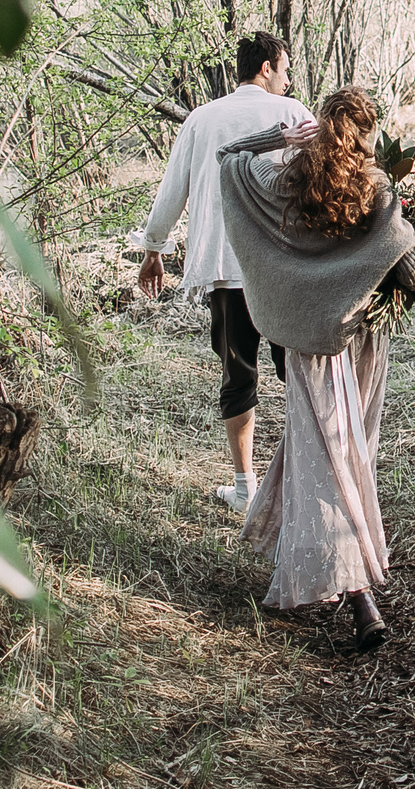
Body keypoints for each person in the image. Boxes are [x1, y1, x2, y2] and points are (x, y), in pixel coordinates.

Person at [218, 87, 415, 653]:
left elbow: (227, 158)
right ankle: (358, 591)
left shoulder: (282, 181)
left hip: (309, 347)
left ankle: (289, 539)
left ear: (317, 130)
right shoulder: (375, 187)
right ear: (364, 135)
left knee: (319, 445)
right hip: (357, 343)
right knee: (343, 452)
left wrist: (279, 139)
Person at [135, 32, 312, 513]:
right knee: (298, 373)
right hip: (281, 266)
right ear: (267, 68)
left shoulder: (201, 118)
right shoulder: (294, 114)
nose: (288, 77)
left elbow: (174, 187)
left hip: (224, 266)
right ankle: (304, 476)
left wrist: (154, 250)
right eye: (285, 67)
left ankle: (244, 487)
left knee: (238, 376)